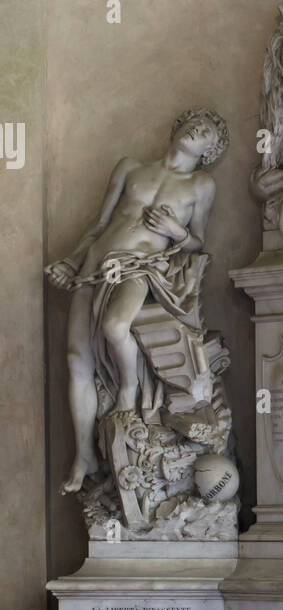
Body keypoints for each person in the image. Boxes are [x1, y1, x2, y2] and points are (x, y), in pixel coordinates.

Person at [45, 108, 229, 492]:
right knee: (76, 357)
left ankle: (128, 387)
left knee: (115, 326)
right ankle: (83, 455)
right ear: (177, 127)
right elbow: (99, 224)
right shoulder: (130, 167)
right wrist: (70, 261)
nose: (198, 128)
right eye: (194, 123)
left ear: (210, 151)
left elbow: (198, 242)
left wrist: (176, 231)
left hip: (139, 267)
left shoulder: (200, 185)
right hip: (95, 265)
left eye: (208, 132)